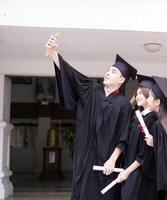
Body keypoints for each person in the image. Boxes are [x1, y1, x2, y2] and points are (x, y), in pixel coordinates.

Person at [45, 34, 137, 200]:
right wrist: (54, 55)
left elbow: (124, 136)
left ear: (122, 79)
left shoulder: (123, 105)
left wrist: (113, 160)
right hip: (85, 157)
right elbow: (72, 76)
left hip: (106, 162)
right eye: (108, 69)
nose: (108, 73)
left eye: (113, 71)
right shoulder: (92, 90)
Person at [117, 74, 159, 200]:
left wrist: (127, 171)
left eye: (141, 93)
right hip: (130, 167)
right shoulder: (137, 117)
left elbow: (144, 154)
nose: (137, 96)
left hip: (140, 172)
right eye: (137, 93)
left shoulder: (152, 120)